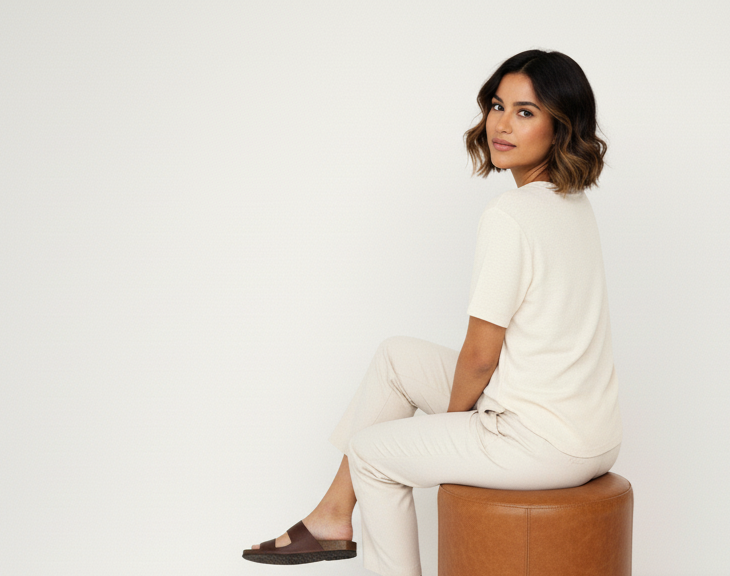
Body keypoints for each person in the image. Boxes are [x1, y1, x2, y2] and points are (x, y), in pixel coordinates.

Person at [242, 49, 623, 576]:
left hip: (541, 442)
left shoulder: (510, 215)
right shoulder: (572, 203)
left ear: (561, 127)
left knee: (372, 453)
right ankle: (331, 515)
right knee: (395, 358)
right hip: (591, 433)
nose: (501, 125)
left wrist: (453, 423)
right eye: (497, 106)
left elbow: (481, 357)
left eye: (525, 112)